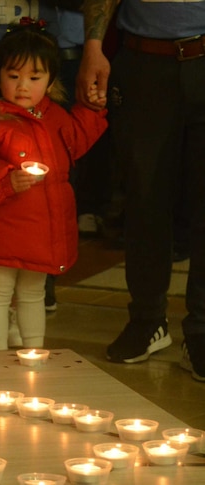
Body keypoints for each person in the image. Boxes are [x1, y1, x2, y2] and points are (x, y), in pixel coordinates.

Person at [0, 20, 107, 351]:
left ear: (49, 82)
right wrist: (5, 179)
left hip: (39, 234)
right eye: (13, 75)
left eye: (34, 78)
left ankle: (34, 352)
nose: (23, 86)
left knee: (34, 294)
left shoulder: (55, 118)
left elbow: (76, 138)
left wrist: (92, 108)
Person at [77, 0, 205, 380]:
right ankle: (148, 319)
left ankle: (201, 328)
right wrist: (93, 46)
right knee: (144, 197)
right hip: (144, 60)